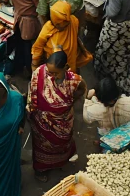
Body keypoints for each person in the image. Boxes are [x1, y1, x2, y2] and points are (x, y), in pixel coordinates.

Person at [27, 51, 86, 182]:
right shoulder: (39, 73)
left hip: (63, 122)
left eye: (55, 73)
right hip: (42, 122)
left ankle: (59, 163)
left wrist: (71, 100)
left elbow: (82, 88)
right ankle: (40, 170)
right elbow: (32, 94)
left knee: (63, 144)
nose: (51, 75)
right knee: (42, 148)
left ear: (65, 68)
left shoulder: (73, 80)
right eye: (49, 72)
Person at [3, 0, 42, 76]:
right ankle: (29, 69)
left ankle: (15, 64)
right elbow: (38, 7)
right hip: (28, 20)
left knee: (18, 40)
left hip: (17, 14)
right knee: (27, 46)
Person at [31, 0, 92, 73]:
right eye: (58, 24)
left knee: (70, 80)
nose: (61, 27)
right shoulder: (48, 28)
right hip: (54, 65)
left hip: (70, 63)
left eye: (65, 24)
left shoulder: (74, 21)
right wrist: (35, 64)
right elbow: (38, 46)